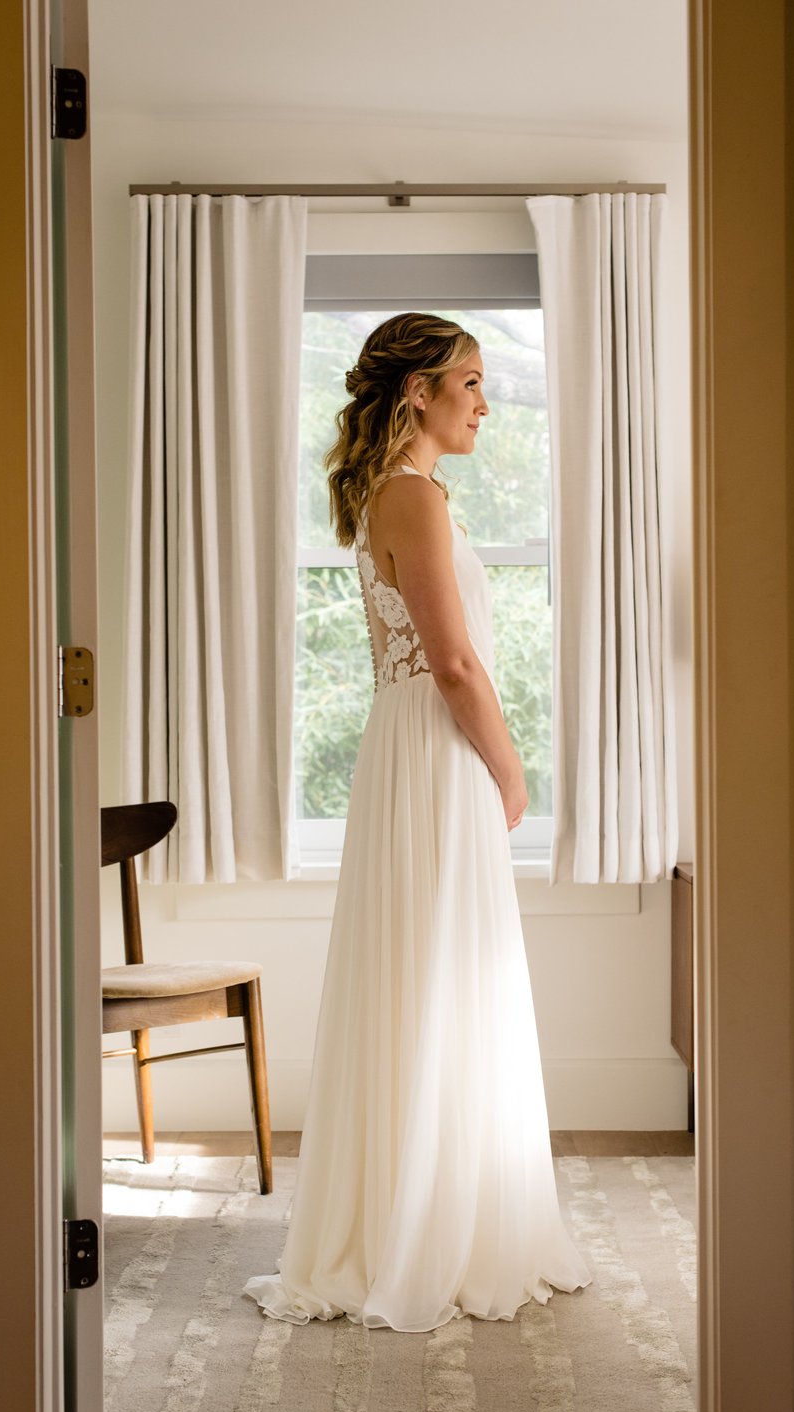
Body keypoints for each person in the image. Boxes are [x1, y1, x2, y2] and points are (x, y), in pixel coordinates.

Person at [243, 311, 591, 1331]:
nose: (486, 402)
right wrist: (509, 762)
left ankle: (420, 1209)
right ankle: (430, 1230)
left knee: (426, 975)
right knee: (441, 972)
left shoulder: (397, 495)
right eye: (470, 383)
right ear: (417, 395)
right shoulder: (412, 497)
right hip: (434, 751)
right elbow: (453, 662)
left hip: (410, 750)